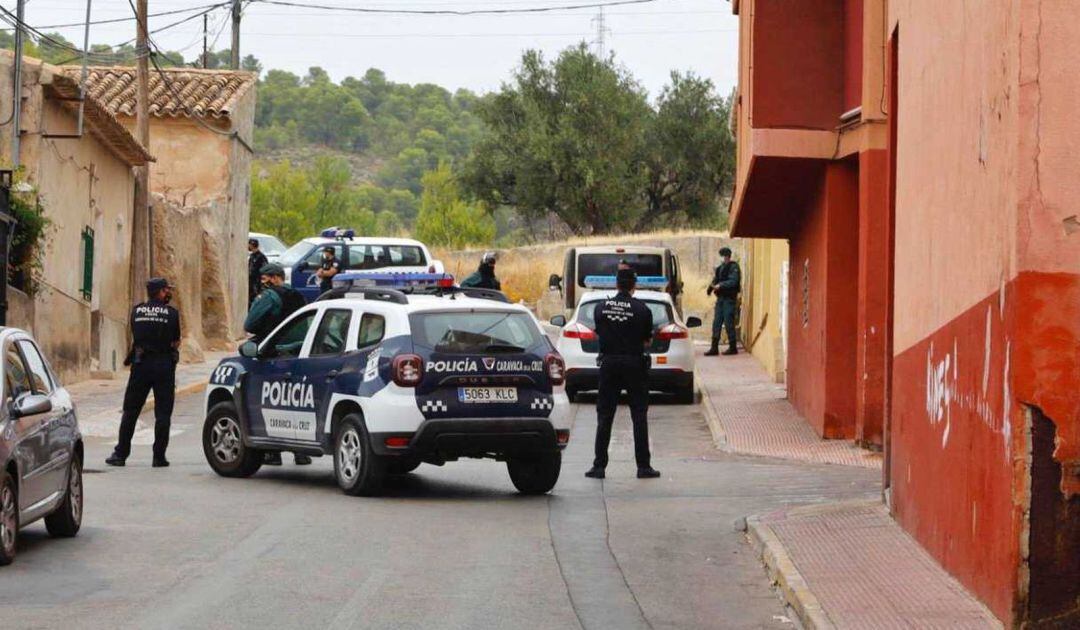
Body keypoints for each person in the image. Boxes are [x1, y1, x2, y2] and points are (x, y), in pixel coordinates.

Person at [585, 268, 661, 480]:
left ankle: (599, 466)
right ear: (633, 286)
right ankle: (643, 466)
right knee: (638, 415)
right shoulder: (642, 310)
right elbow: (647, 340)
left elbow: (599, 332)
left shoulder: (601, 308)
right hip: (634, 364)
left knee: (605, 415)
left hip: (609, 364)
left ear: (616, 284)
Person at [106, 278, 181, 468]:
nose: (168, 293)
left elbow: (136, 335)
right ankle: (159, 457)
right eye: (166, 290)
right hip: (163, 365)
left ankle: (120, 454)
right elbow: (176, 341)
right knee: (163, 413)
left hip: (141, 365)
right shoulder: (171, 314)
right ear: (161, 292)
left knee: (130, 411)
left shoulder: (137, 311)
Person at [243, 263, 311, 466]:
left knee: (271, 404)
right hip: (300, 354)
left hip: (275, 355)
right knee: (296, 404)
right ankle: (301, 452)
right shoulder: (298, 296)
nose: (262, 284)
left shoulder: (269, 297)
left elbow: (250, 324)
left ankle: (272, 453)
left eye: (264, 280)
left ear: (273, 278)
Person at [706, 247, 741, 356]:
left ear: (727, 256)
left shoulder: (733, 267)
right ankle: (714, 347)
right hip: (720, 299)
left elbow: (733, 281)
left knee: (728, 322)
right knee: (716, 322)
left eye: (723, 256)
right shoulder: (720, 268)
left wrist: (720, 285)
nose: (721, 258)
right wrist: (710, 288)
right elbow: (716, 279)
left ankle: (733, 347)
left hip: (729, 299)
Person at [247, 238, 268, 307]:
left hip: (257, 284)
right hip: (251, 283)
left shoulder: (261, 257)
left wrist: (262, 285)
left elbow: (265, 271)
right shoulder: (252, 256)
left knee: (256, 302)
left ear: (252, 245)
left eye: (249, 244)